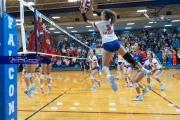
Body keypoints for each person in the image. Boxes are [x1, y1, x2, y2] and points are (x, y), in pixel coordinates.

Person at [80, 7, 151, 91]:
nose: (101, 14)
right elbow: (102, 15)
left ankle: (109, 76)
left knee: (104, 66)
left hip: (107, 44)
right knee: (128, 57)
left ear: (104, 15)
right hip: (115, 42)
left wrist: (83, 13)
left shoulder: (99, 23)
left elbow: (87, 22)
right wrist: (93, 11)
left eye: (102, 13)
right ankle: (144, 69)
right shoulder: (110, 21)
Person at [24, 15, 42, 98]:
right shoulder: (32, 37)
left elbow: (39, 27)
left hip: (34, 55)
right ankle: (27, 89)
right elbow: (37, 27)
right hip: (30, 55)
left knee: (32, 73)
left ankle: (32, 87)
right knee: (28, 74)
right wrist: (37, 18)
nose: (38, 33)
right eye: (37, 32)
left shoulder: (36, 40)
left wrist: (40, 18)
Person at [39, 24, 53, 94]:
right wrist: (44, 30)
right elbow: (45, 38)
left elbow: (51, 38)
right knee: (42, 74)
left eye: (48, 40)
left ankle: (49, 85)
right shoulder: (45, 45)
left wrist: (49, 32)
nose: (48, 40)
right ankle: (41, 87)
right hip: (44, 59)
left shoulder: (51, 45)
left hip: (49, 60)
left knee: (48, 74)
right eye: (47, 40)